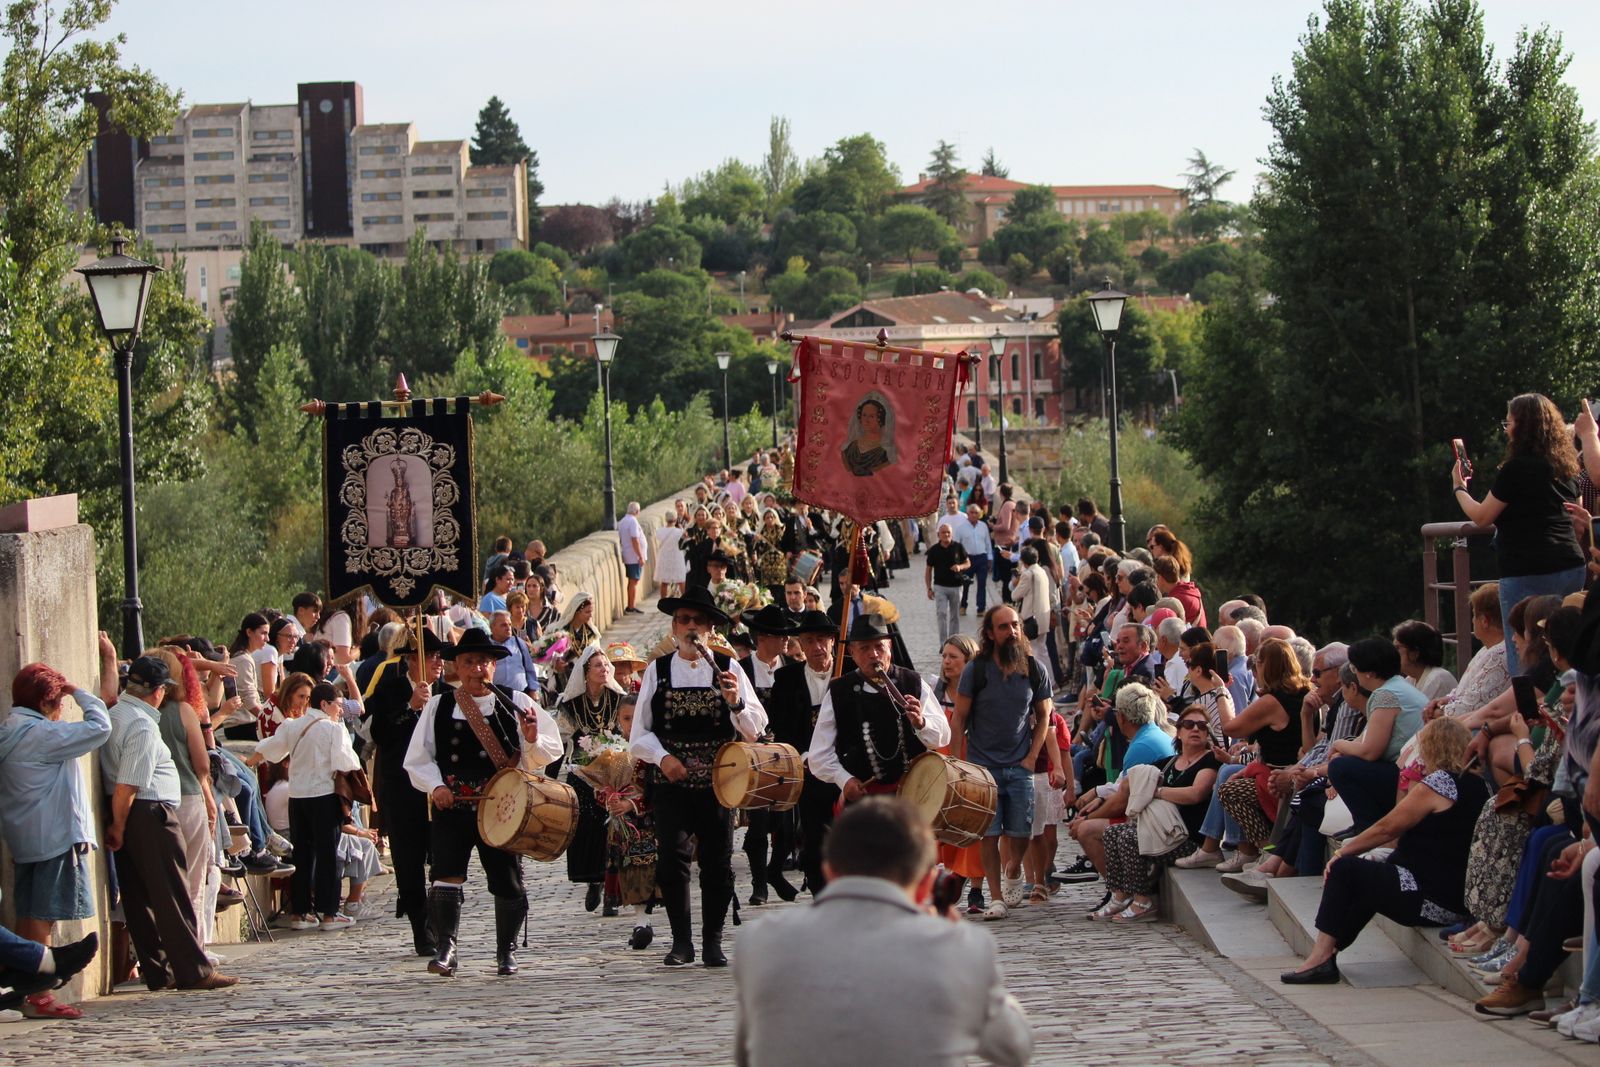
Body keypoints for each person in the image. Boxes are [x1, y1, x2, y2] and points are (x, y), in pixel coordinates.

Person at [734, 796, 1032, 1067]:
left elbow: (746, 1056)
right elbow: (1015, 1047)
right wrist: (964, 951)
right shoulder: (959, 947)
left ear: (829, 871)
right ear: (925, 884)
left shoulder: (759, 942)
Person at [1282, 718, 1490, 984]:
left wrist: (1343, 853)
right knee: (1367, 878)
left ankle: (1320, 958)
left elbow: (1388, 828)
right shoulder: (1480, 786)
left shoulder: (1441, 782)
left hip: (1429, 897)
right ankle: (1327, 954)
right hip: (1452, 898)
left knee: (1345, 869)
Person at [404, 628, 562, 977]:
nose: (477, 669)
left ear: (494, 665)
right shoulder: (439, 706)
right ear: (457, 667)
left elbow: (550, 750)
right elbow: (417, 758)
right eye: (469, 662)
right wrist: (435, 786)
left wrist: (532, 738)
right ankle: (446, 949)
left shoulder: (517, 701)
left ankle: (506, 951)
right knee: (445, 875)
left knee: (507, 879)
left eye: (484, 662)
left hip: (503, 808)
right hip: (453, 806)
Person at [629, 585, 769, 967]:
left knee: (717, 862)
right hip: (671, 782)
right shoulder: (658, 670)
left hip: (718, 783)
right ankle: (681, 943)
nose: (691, 627)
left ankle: (713, 942)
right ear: (674, 628)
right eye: (683, 620)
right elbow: (638, 734)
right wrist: (662, 758)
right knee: (672, 861)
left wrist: (736, 703)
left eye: (698, 621)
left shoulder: (729, 668)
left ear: (710, 629)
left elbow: (756, 729)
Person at [100, 655, 237, 990]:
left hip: (134, 811)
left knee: (139, 897)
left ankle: (160, 970)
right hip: (150, 812)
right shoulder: (142, 724)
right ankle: (194, 970)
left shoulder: (117, 713)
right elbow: (129, 784)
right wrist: (119, 825)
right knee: (172, 893)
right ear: (158, 691)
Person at [0, 635, 116, 1018]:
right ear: (47, 701)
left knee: (28, 914)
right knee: (43, 917)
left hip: (25, 837)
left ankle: (25, 988)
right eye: (59, 701)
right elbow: (100, 727)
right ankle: (39, 994)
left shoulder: (8, 731)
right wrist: (79, 691)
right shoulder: (42, 735)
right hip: (55, 836)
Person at [1457, 393, 1587, 675]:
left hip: (1526, 569)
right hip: (1570, 565)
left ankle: (1529, 703)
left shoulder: (1515, 469)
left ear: (1522, 426)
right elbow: (1576, 519)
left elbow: (1482, 516)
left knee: (1525, 654)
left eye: (1509, 423)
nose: (1507, 430)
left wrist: (1459, 487)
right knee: (1566, 649)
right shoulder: (1567, 468)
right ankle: (1566, 699)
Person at [951, 606, 1052, 920]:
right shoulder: (976, 670)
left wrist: (1032, 757)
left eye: (1015, 625)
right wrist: (957, 765)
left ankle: (1013, 868)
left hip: (1020, 766)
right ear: (990, 633)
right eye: (1004, 627)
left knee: (1021, 833)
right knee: (989, 835)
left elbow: (1045, 715)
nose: (1012, 632)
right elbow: (959, 719)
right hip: (983, 768)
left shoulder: (1034, 669)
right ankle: (995, 898)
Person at [363, 626, 448, 956]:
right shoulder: (391, 689)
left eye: (440, 656)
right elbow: (380, 735)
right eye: (432, 656)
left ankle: (440, 923)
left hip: (437, 791)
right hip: (402, 790)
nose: (438, 661)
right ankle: (420, 929)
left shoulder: (446, 693)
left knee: (443, 862)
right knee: (408, 862)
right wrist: (410, 707)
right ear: (413, 660)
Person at [1094, 705, 1221, 922]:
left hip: (1186, 838)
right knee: (1112, 832)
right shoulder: (1169, 762)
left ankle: (1143, 901)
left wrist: (1157, 792)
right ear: (1178, 731)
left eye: (1202, 726)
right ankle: (1120, 894)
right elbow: (1128, 782)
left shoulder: (1209, 760)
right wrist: (1097, 794)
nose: (1195, 729)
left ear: (1208, 733)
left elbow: (1195, 794)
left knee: (1129, 838)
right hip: (1161, 830)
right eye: (1189, 724)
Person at [253, 681, 362, 932]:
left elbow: (273, 749)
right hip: (323, 796)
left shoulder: (292, 725)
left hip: (297, 797)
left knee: (302, 854)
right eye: (338, 705)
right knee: (327, 855)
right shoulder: (333, 729)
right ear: (324, 704)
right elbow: (346, 762)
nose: (340, 710)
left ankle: (299, 913)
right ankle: (329, 914)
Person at [809, 612, 949, 807]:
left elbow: (943, 736)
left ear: (889, 646)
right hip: (865, 804)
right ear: (852, 651)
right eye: (864, 648)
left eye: (879, 646)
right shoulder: (839, 691)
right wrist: (844, 779)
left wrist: (922, 723)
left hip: (914, 798)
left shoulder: (912, 682)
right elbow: (818, 754)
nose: (873, 654)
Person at [765, 609, 841, 897]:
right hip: (809, 771)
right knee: (815, 840)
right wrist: (806, 756)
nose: (817, 647)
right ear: (801, 644)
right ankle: (822, 896)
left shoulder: (848, 672)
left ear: (832, 641)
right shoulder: (786, 679)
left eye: (822, 639)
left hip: (848, 771)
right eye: (809, 640)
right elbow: (781, 725)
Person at [1327, 636, 1426, 834]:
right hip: (1413, 770)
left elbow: (1370, 751)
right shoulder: (1398, 686)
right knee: (1343, 762)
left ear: (1370, 673)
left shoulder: (1384, 695)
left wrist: (1338, 744)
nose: (1354, 674)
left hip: (1409, 774)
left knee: (1340, 768)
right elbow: (1366, 739)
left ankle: (1369, 828)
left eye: (1355, 668)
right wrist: (1344, 750)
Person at [557, 643, 627, 914]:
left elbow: (629, 731)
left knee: (614, 832)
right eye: (598, 665)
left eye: (606, 665)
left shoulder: (618, 699)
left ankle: (613, 894)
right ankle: (594, 880)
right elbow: (560, 742)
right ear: (585, 672)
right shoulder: (570, 704)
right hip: (583, 775)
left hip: (614, 774)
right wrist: (551, 778)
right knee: (590, 829)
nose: (604, 669)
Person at [737, 604, 797, 907]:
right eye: (780, 635)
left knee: (787, 825)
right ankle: (759, 882)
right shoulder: (743, 669)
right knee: (759, 824)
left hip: (785, 755)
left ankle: (775, 870)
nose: (786, 640)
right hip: (754, 757)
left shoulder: (792, 667)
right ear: (762, 638)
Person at [925, 521, 971, 644]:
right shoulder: (934, 550)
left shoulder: (958, 547)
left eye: (948, 532)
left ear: (952, 534)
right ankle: (943, 643)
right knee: (941, 613)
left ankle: (953, 641)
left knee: (955, 615)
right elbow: (928, 570)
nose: (946, 535)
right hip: (940, 587)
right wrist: (929, 588)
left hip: (956, 586)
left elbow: (968, 563)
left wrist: (960, 567)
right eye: (943, 532)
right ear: (938, 535)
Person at [955, 503, 994, 617]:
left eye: (976, 513)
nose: (974, 515)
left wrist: (989, 558)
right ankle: (963, 605)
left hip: (981, 557)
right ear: (967, 514)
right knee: (965, 584)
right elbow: (957, 546)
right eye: (971, 512)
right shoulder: (961, 528)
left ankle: (981, 608)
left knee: (982, 583)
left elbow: (987, 542)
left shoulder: (983, 526)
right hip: (967, 559)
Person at [618, 501, 649, 614]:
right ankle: (631, 606)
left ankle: (631, 605)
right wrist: (640, 556)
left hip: (629, 555)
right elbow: (634, 539)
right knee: (633, 581)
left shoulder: (623, 521)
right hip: (633, 556)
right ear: (637, 511)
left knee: (632, 581)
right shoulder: (632, 521)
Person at [654, 514, 688, 600]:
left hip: (664, 557)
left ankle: (663, 601)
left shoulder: (659, 531)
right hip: (677, 557)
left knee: (664, 582)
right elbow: (686, 539)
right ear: (675, 519)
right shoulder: (679, 531)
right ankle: (685, 600)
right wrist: (682, 529)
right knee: (681, 580)